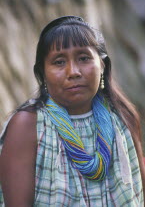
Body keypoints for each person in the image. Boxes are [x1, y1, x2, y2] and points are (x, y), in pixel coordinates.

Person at [0, 15, 144, 207]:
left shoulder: (122, 117)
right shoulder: (27, 126)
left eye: (84, 58)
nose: (73, 71)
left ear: (102, 65)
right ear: (42, 73)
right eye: (59, 62)